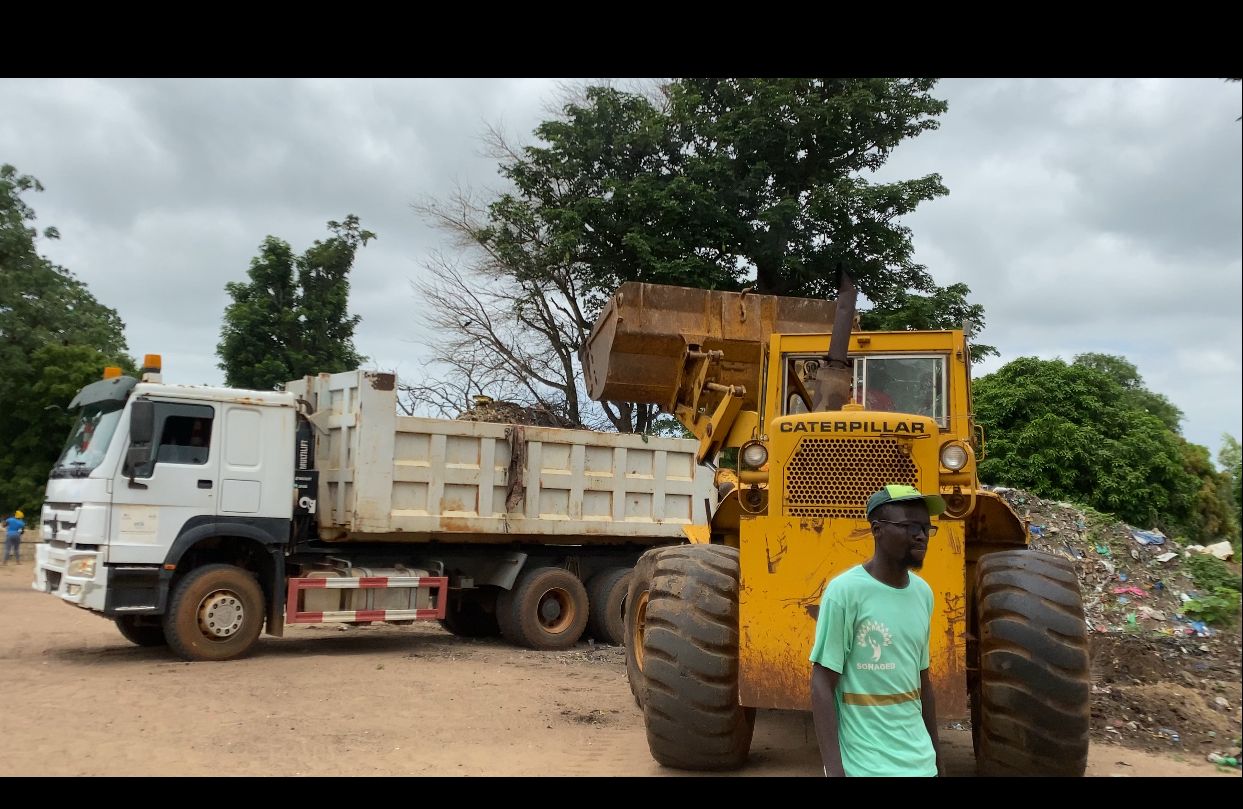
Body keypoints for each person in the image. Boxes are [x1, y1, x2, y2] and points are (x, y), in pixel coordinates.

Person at [808, 484, 946, 777]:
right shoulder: (845, 593)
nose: (921, 535)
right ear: (877, 529)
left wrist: (937, 761)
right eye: (909, 526)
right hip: (865, 768)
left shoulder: (923, 594)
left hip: (921, 765)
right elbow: (822, 682)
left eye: (925, 527)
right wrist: (834, 770)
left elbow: (923, 682)